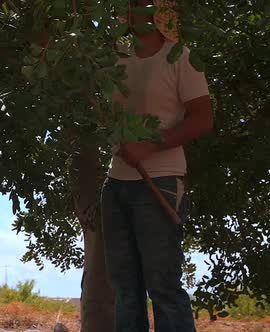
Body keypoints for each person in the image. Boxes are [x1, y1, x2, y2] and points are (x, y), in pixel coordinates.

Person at [101, 0, 214, 331]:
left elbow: (203, 119)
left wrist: (147, 146)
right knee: (125, 291)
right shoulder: (114, 57)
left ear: (157, 10)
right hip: (116, 183)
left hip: (160, 181)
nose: (133, 9)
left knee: (163, 288)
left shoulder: (181, 56)